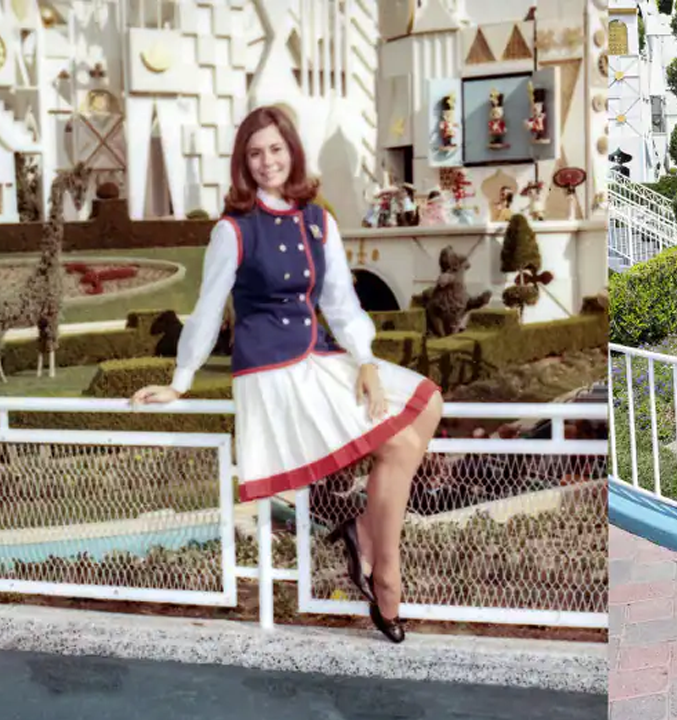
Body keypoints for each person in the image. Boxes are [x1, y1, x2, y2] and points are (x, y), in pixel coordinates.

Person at [130, 105, 444, 644]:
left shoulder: (319, 220)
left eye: (275, 149)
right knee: (396, 445)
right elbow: (207, 309)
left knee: (429, 402)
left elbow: (341, 300)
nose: (267, 161)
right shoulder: (233, 230)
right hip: (273, 370)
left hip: (317, 354)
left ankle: (365, 531)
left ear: (292, 152)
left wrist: (365, 362)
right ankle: (386, 573)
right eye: (255, 153)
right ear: (243, 163)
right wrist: (181, 379)